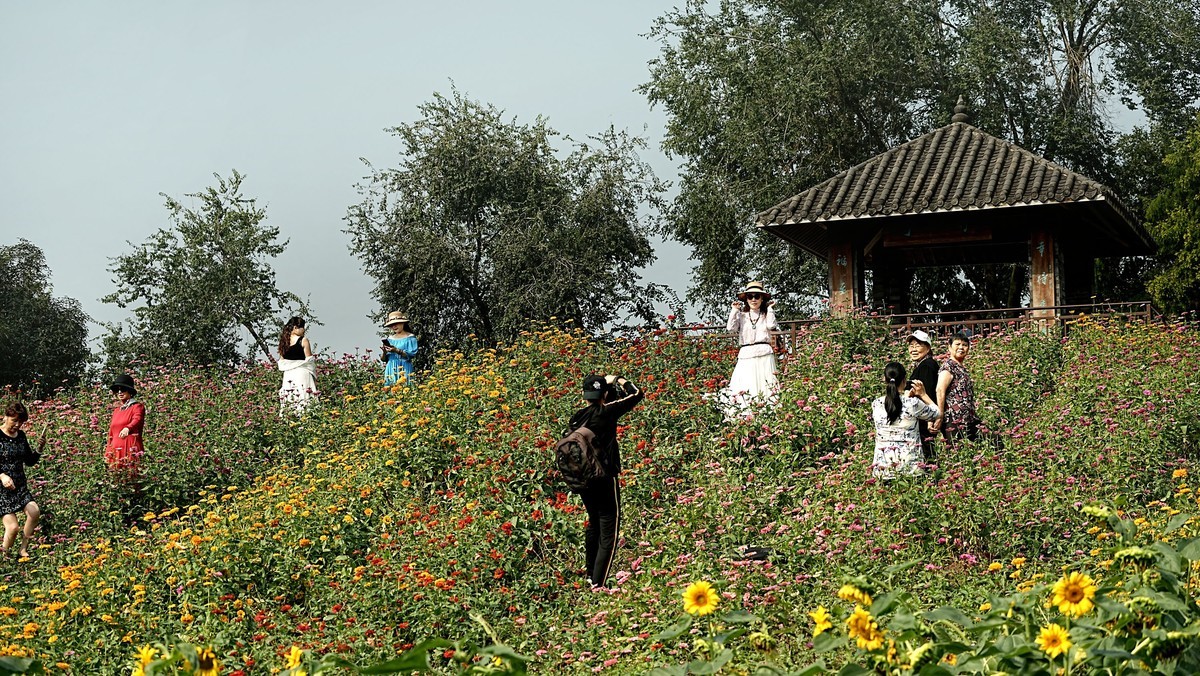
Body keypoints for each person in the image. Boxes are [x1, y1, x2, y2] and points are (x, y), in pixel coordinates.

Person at [567, 373, 643, 588]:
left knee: (594, 523)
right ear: (606, 395)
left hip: (583, 478)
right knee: (609, 528)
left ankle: (590, 574)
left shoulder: (576, 417)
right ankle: (598, 584)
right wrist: (618, 379)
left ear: (584, 396)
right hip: (604, 477)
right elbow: (636, 393)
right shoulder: (606, 412)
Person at [871, 362, 941, 480]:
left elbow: (895, 406)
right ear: (904, 380)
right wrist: (923, 394)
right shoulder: (912, 404)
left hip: (883, 466)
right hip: (910, 465)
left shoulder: (876, 404)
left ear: (885, 379)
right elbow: (936, 413)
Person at [720, 281, 780, 417]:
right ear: (746, 299)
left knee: (766, 385)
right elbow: (730, 328)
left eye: (757, 296)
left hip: (764, 352)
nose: (753, 299)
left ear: (762, 298)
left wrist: (770, 309)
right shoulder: (742, 316)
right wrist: (734, 310)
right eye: (750, 296)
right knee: (745, 384)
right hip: (746, 353)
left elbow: (771, 326)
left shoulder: (765, 314)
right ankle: (745, 415)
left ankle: (768, 414)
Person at [0, 402, 41, 559]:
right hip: (2, 489)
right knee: (13, 527)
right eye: (14, 421)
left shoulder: (21, 436)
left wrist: (39, 449)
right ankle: (5, 557)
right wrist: (2, 476)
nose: (17, 425)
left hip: (19, 485)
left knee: (34, 511)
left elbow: (29, 461)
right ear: (6, 417)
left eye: (21, 422)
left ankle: (23, 549)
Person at [933, 332, 980, 441]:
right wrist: (939, 416)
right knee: (956, 450)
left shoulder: (961, 367)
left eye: (964, 345)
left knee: (992, 439)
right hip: (954, 419)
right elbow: (940, 390)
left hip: (969, 418)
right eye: (957, 344)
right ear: (949, 347)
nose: (961, 347)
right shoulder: (949, 366)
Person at [907, 330, 940, 463]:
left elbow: (928, 392)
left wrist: (930, 419)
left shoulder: (927, 366)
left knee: (927, 452)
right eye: (911, 346)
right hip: (922, 416)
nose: (913, 349)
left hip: (925, 418)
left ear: (928, 347)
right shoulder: (923, 365)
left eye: (918, 345)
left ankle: (934, 479)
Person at [277, 316, 318, 415]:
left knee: (290, 397)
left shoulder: (283, 342)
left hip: (288, 375)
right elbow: (309, 360)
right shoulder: (303, 340)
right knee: (304, 397)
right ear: (295, 328)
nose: (304, 330)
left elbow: (282, 360)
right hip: (302, 372)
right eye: (302, 327)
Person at [106, 374, 145, 473]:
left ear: (129, 391)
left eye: (122, 389)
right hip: (115, 451)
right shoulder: (116, 411)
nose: (119, 392)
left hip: (130, 448)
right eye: (117, 390)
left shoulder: (137, 407)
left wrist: (128, 428)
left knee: (131, 476)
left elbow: (137, 419)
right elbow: (111, 433)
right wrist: (108, 452)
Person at [380, 311, 418, 386]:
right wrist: (384, 352)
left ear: (402, 323)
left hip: (404, 367)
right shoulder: (390, 339)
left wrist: (396, 350)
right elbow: (384, 359)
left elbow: (411, 354)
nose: (394, 326)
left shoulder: (410, 338)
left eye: (396, 324)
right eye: (392, 325)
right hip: (391, 367)